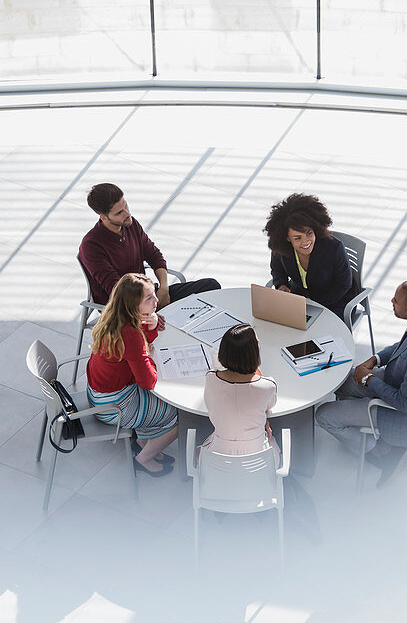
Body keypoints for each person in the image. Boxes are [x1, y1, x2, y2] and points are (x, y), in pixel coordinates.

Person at [315, 280, 407, 487]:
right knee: (342, 381)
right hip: (403, 379)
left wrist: (368, 378)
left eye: (396, 301)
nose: (391, 301)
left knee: (324, 415)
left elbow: (404, 403)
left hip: (406, 414)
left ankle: (379, 450)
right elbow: (405, 345)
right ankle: (359, 418)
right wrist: (375, 360)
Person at [86, 273, 178, 476]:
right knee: (178, 415)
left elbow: (139, 349)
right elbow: (148, 381)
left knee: (158, 403)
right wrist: (149, 358)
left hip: (97, 392)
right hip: (113, 406)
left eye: (154, 293)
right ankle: (143, 459)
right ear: (132, 305)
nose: (156, 301)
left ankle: (145, 442)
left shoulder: (113, 318)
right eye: (149, 298)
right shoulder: (130, 334)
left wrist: (151, 327)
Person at [78, 182, 220, 307]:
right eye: (119, 212)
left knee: (211, 286)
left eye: (126, 205)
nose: (127, 213)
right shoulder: (91, 245)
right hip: (125, 307)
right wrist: (151, 302)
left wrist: (163, 289)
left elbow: (154, 256)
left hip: (149, 294)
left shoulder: (130, 224)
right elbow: (116, 289)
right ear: (103, 217)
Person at [263, 193, 355, 321]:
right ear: (287, 238)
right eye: (297, 238)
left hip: (335, 301)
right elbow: (277, 269)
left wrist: (314, 304)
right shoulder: (282, 248)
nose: (306, 241)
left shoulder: (334, 248)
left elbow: (343, 285)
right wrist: (281, 285)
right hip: (302, 298)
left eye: (309, 233)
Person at [200, 323, 280, 463]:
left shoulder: (211, 378)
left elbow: (210, 406)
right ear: (254, 352)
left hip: (217, 461)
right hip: (260, 462)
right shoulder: (268, 386)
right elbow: (269, 407)